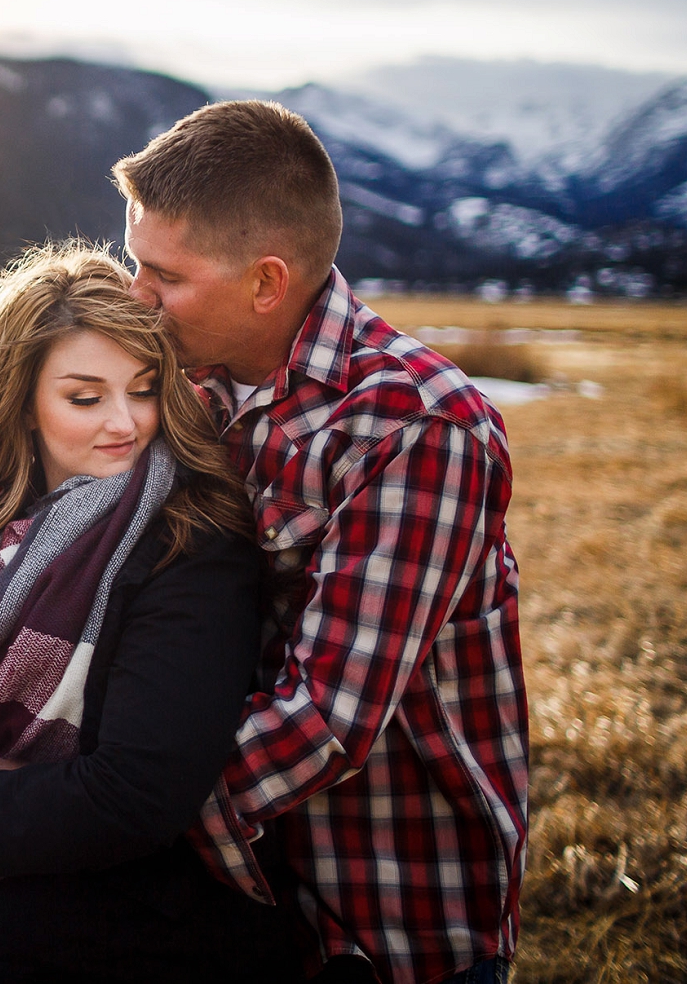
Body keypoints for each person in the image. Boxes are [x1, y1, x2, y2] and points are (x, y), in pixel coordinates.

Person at [112, 99, 528, 984]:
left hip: (387, 921)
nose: (135, 295)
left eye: (164, 275)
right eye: (131, 260)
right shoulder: (186, 391)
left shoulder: (417, 425)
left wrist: (114, 802)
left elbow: (328, 718)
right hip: (232, 917)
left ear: (267, 282)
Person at [0, 244, 306, 983]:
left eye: (144, 388)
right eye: (85, 397)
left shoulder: (189, 542)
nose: (124, 422)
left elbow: (135, 795)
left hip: (122, 948)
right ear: (23, 400)